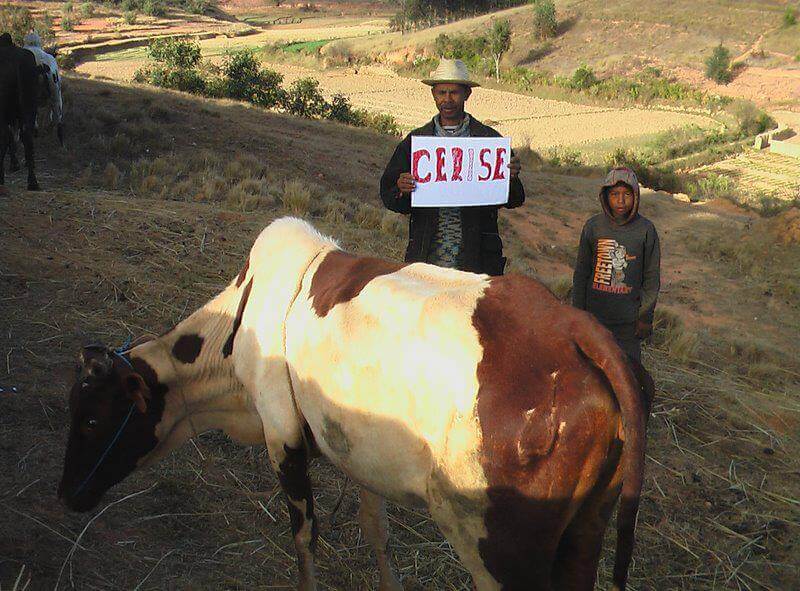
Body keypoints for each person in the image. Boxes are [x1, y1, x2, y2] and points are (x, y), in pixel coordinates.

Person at [379, 59, 525, 275]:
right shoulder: (415, 141)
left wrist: (510, 177)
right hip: (427, 255)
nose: (447, 100)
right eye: (441, 93)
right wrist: (402, 188)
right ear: (433, 95)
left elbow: (515, 199)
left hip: (477, 258)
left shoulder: (489, 141)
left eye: (454, 93)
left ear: (467, 94)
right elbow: (389, 196)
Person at [572, 167, 661, 362]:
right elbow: (581, 273)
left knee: (630, 376)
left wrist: (645, 317)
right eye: (614, 194)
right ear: (605, 196)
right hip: (594, 320)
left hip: (627, 324)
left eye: (627, 194)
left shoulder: (646, 230)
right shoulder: (593, 227)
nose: (620, 201)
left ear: (636, 196)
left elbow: (651, 278)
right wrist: (577, 314)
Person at [23, 31, 63, 142]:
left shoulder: (21, 57)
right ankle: (58, 123)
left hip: (26, 90)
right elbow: (58, 83)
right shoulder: (49, 58)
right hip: (49, 83)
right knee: (56, 98)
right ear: (39, 42)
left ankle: (31, 127)